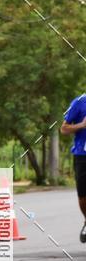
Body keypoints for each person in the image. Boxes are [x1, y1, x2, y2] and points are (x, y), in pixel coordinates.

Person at [60, 95, 86, 242]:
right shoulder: (79, 102)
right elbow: (63, 128)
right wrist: (81, 125)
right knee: (83, 196)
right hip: (83, 155)